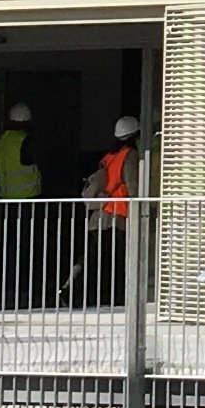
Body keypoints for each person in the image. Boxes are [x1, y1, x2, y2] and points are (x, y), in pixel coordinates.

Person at [0, 98, 47, 303]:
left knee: (10, 249)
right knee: (29, 249)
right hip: (29, 203)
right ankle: (28, 291)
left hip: (7, 204)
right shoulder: (26, 142)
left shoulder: (1, 143)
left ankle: (9, 289)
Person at [88, 116, 139, 303]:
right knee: (117, 262)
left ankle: (91, 295)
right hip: (118, 216)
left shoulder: (109, 156)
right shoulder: (130, 155)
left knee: (98, 261)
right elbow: (132, 187)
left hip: (100, 215)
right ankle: (116, 298)